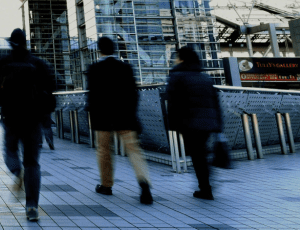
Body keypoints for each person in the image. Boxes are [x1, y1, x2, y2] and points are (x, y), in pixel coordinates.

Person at [0, 28, 55, 222]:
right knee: (32, 162)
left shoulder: (4, 63)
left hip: (11, 117)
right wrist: (45, 114)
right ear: (26, 42)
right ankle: (32, 206)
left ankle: (17, 172)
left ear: (10, 43)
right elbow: (50, 86)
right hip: (33, 118)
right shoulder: (37, 63)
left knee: (10, 151)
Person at [86, 36, 152, 205]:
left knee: (104, 150)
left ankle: (106, 185)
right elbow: (134, 93)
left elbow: (92, 96)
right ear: (114, 49)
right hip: (125, 116)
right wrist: (132, 114)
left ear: (99, 50)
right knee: (134, 150)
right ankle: (144, 183)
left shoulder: (94, 69)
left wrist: (92, 115)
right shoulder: (126, 68)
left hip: (103, 118)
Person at [165, 45, 222, 200]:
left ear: (181, 58)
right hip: (208, 123)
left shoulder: (176, 75)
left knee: (198, 155)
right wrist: (218, 124)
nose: (174, 59)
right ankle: (206, 185)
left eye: (176, 56)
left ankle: (205, 189)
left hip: (189, 122)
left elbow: (172, 102)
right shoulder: (204, 77)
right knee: (201, 154)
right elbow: (215, 102)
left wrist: (171, 125)